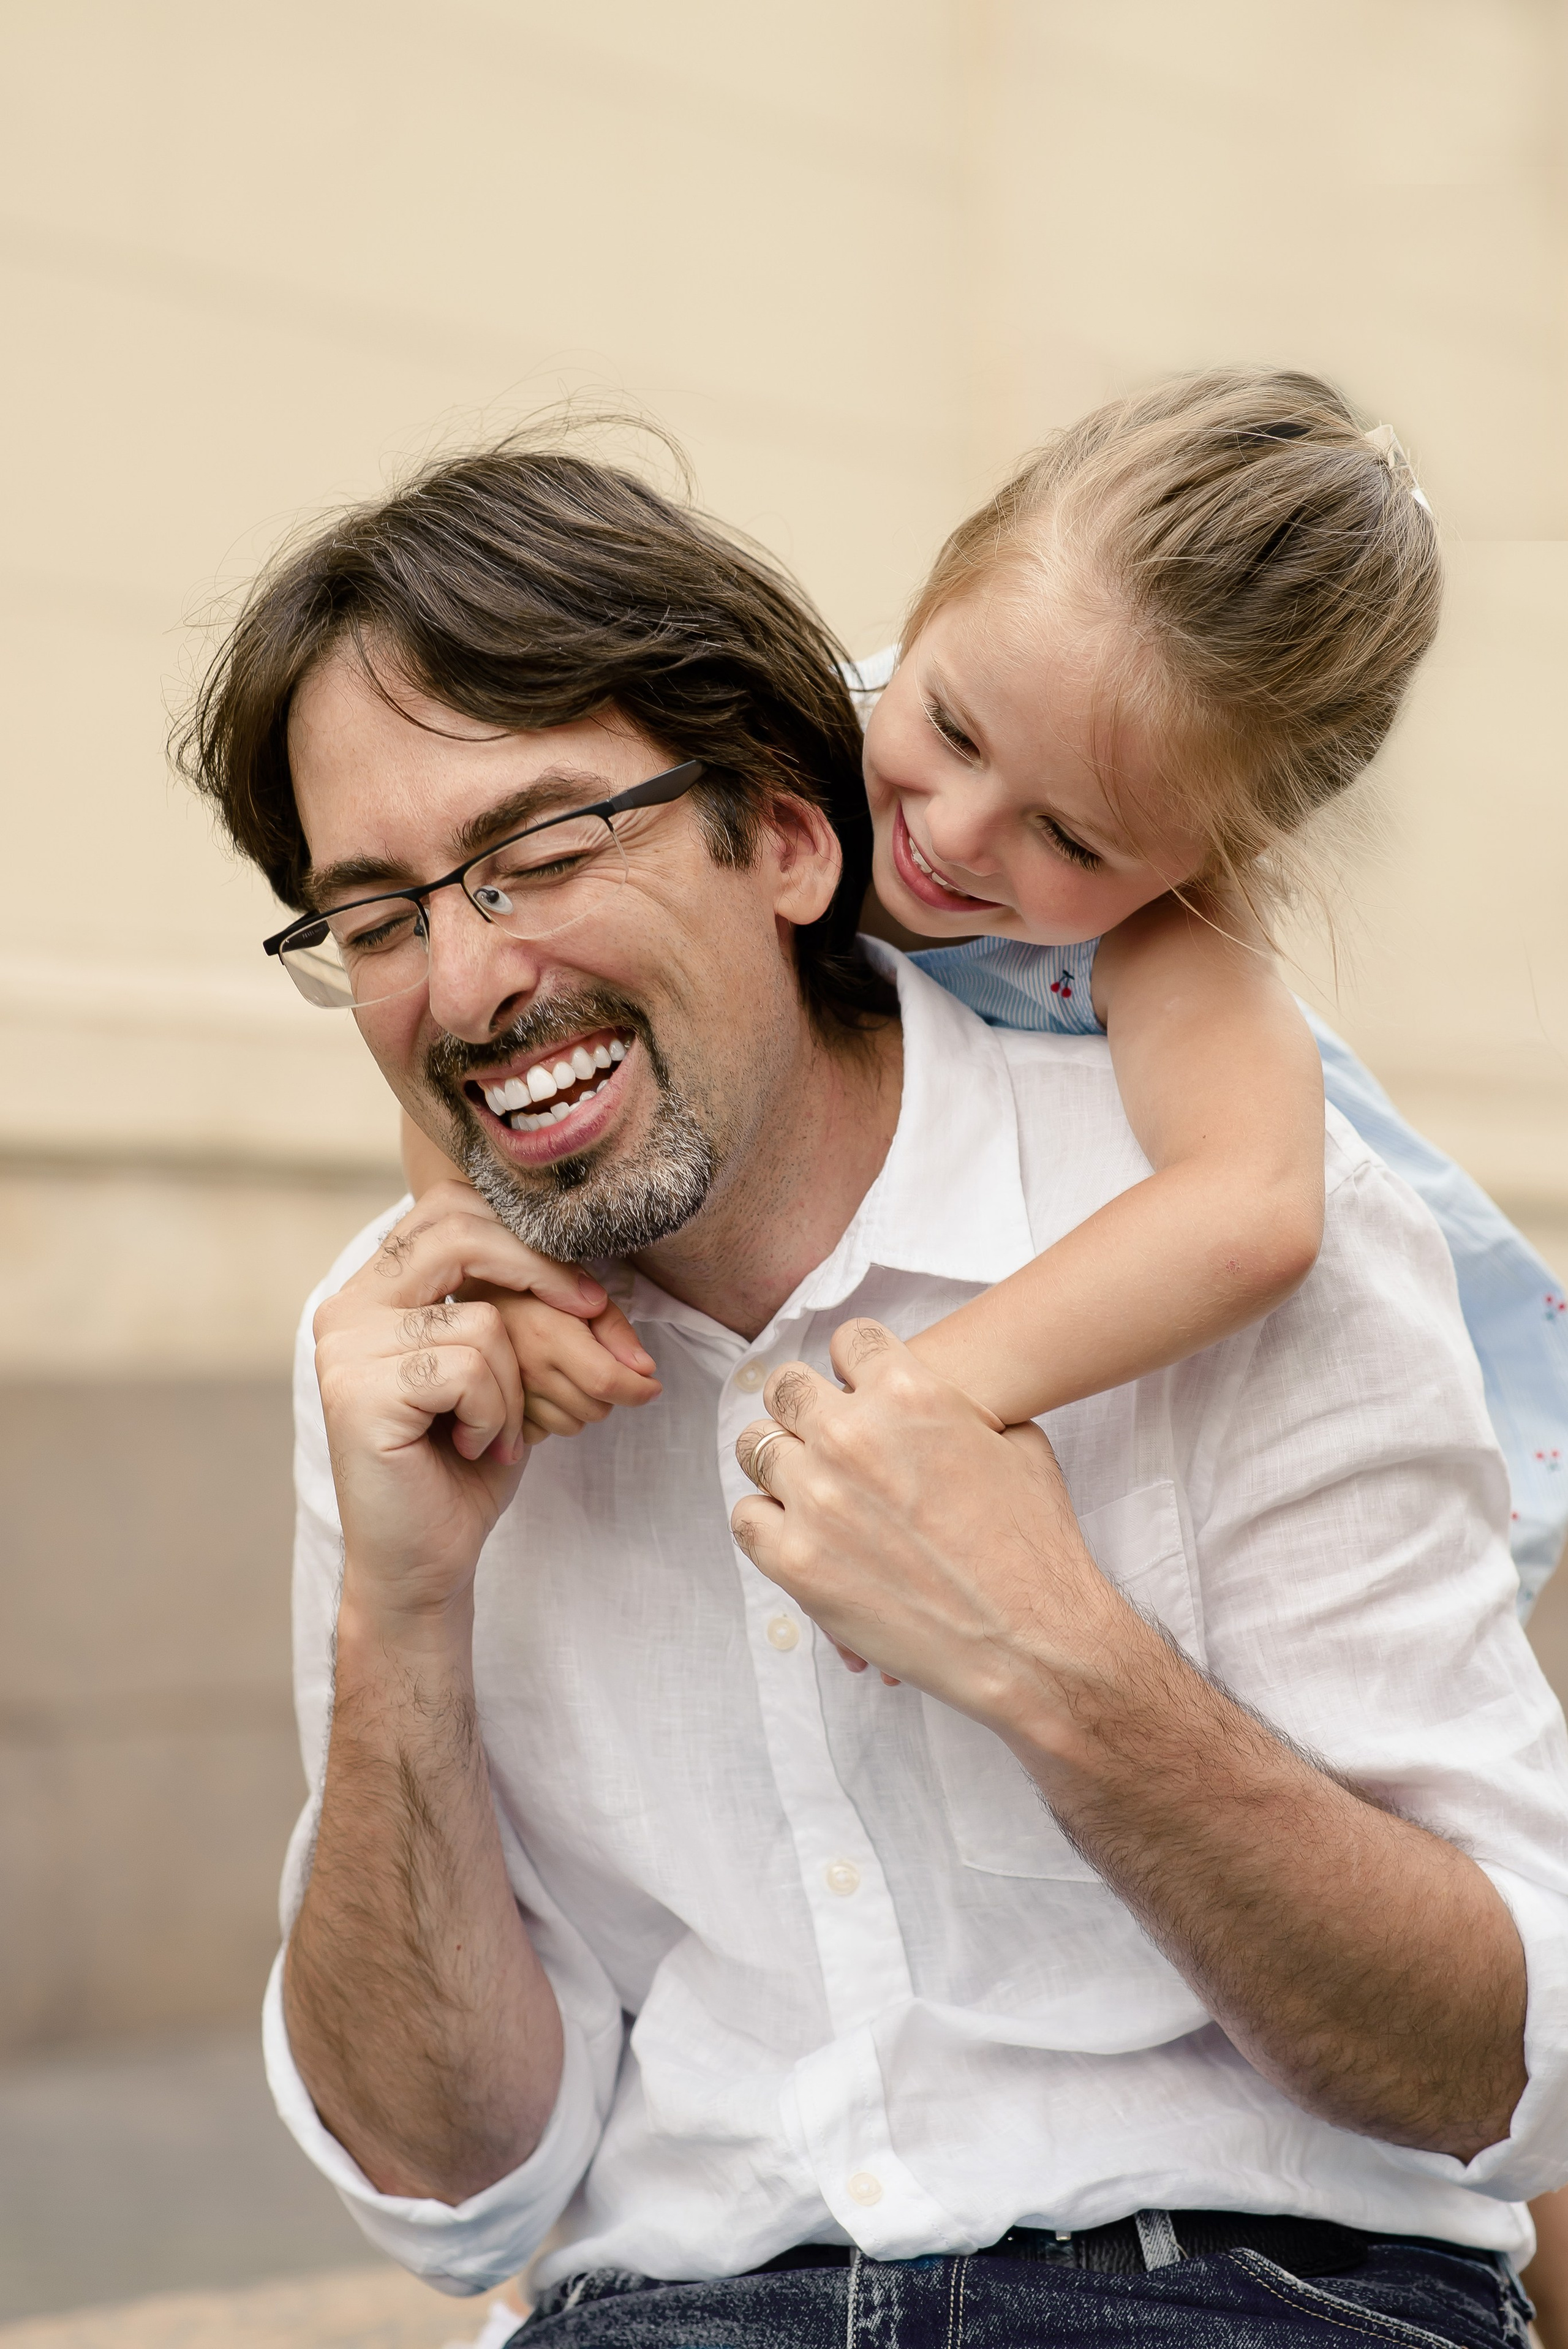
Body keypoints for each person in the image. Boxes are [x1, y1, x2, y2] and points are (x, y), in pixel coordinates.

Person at [178, 439, 1568, 2345]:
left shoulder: (1221, 1186)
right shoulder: (413, 1360)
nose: (473, 970)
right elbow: (447, 2187)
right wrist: (399, 1604)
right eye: (380, 916)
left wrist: (1056, 1653)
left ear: (783, 836)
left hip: (1243, 2284)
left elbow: (1501, 2068)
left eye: (544, 849)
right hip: (671, 2306)